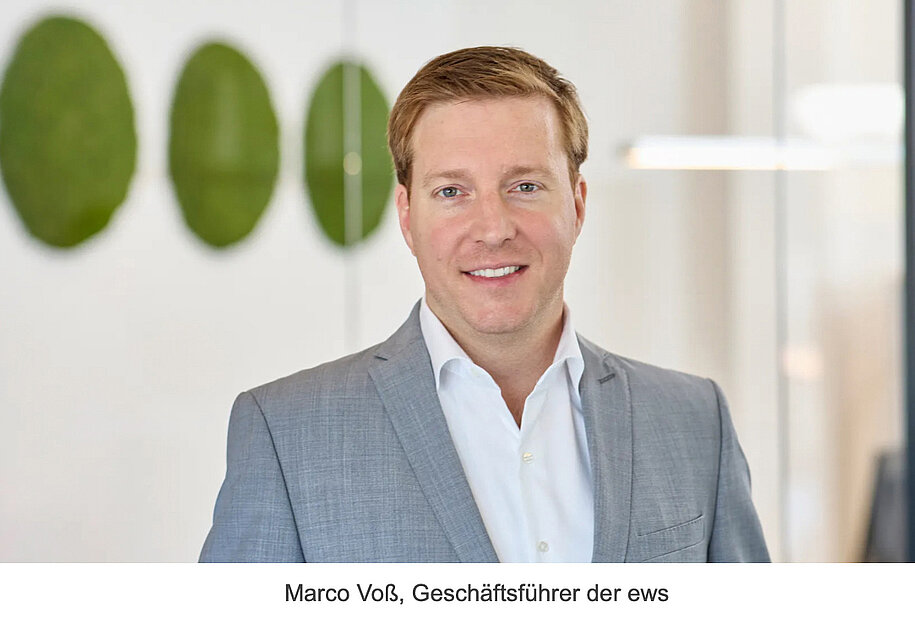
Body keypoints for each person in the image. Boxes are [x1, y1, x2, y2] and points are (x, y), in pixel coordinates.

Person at [200, 46, 769, 563]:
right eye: (452, 192)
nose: (493, 229)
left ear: (577, 204)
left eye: (525, 186)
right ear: (407, 216)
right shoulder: (286, 434)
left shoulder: (695, 421)